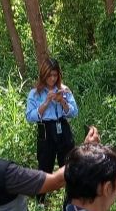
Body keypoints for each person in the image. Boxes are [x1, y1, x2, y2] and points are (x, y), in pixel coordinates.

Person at [25, 58, 78, 200]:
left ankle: (71, 198)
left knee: (69, 164)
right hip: (46, 130)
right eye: (49, 75)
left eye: (55, 75)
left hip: (62, 127)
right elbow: (30, 116)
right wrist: (46, 102)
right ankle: (40, 200)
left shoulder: (64, 90)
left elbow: (74, 112)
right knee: (44, 165)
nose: (52, 79)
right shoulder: (35, 93)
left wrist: (62, 101)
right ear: (44, 75)